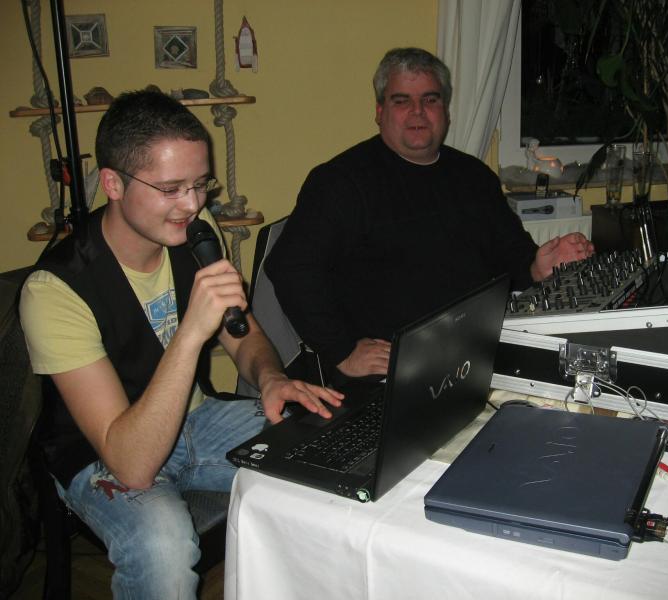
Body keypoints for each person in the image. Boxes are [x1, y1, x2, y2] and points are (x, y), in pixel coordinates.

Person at [19, 90, 342, 599]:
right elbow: (131, 464)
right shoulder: (54, 291)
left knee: (327, 446)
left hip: (196, 419)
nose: (192, 205)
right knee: (163, 546)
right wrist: (191, 331)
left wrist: (270, 378)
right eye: (170, 189)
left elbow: (241, 331)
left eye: (199, 184)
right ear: (113, 184)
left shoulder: (193, 231)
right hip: (102, 451)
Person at [266, 47, 593, 381]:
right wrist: (342, 351)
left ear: (445, 112)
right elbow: (289, 266)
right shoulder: (341, 182)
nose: (418, 112)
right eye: (401, 101)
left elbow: (509, 251)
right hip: (395, 370)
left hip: (477, 353)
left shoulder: (474, 177)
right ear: (379, 111)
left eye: (430, 99)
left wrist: (535, 267)